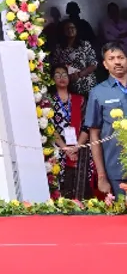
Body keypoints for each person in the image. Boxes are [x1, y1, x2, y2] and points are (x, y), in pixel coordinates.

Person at [85, 42, 127, 198]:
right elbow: (94, 135)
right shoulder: (97, 93)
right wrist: (101, 176)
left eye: (121, 57)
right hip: (117, 170)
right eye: (111, 58)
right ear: (105, 64)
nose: (117, 61)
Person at [50, 65, 93, 200]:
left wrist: (77, 146)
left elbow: (88, 124)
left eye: (64, 74)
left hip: (80, 147)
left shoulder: (80, 99)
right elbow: (49, 128)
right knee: (60, 184)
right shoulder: (48, 101)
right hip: (58, 148)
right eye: (57, 74)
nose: (62, 78)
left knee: (82, 186)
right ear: (52, 79)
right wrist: (65, 148)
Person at [52, 20, 98, 97]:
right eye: (67, 28)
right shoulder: (59, 48)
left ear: (76, 30)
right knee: (75, 107)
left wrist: (80, 74)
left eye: (72, 27)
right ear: (63, 31)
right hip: (68, 83)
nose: (70, 30)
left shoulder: (85, 44)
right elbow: (55, 65)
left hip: (86, 80)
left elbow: (94, 64)